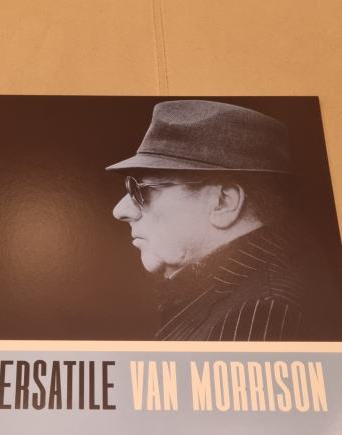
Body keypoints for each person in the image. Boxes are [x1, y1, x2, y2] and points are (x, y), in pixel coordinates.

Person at [106, 99, 339, 341]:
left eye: (142, 190)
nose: (120, 211)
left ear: (223, 202)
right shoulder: (242, 289)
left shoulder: (262, 310)